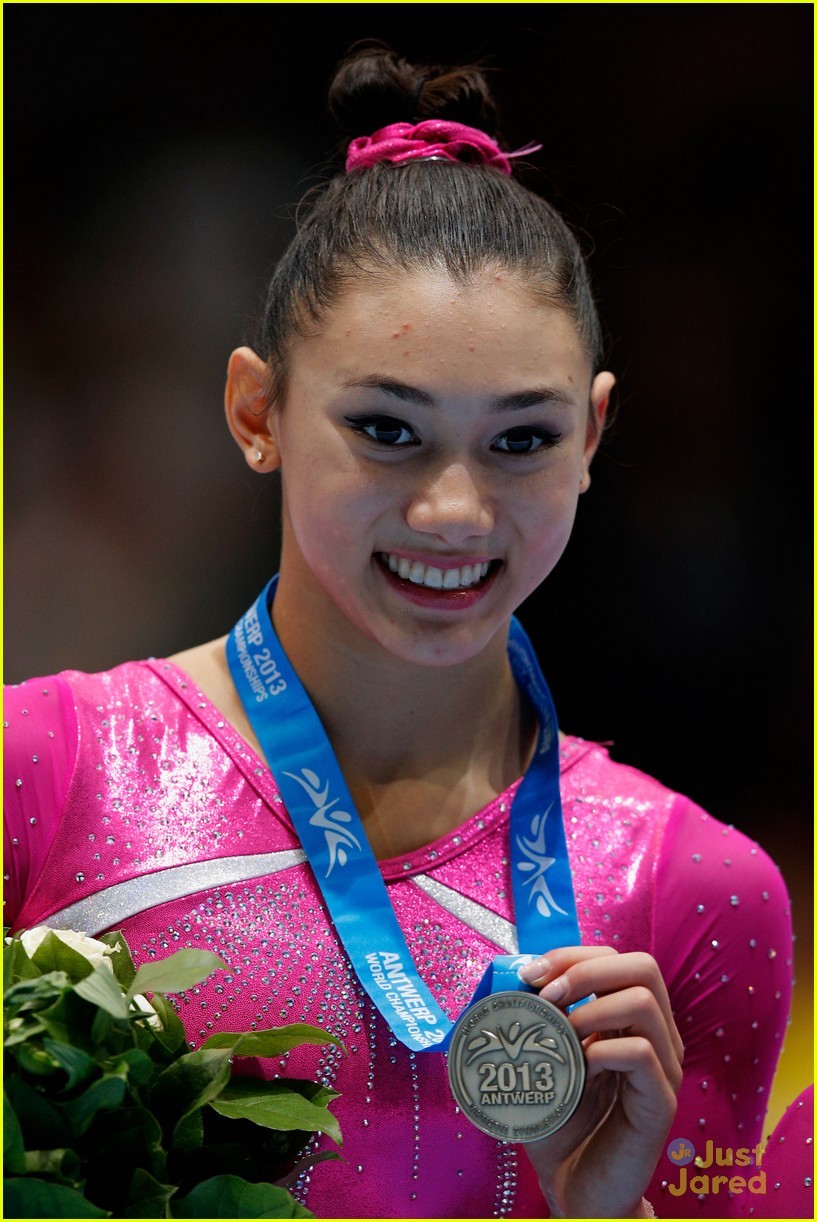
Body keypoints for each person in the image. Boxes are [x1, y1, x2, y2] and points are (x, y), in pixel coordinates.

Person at [4, 44, 795, 1220]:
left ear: (593, 435)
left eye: (521, 439)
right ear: (256, 412)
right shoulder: (38, 771)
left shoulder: (695, 893)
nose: (453, 510)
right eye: (386, 428)